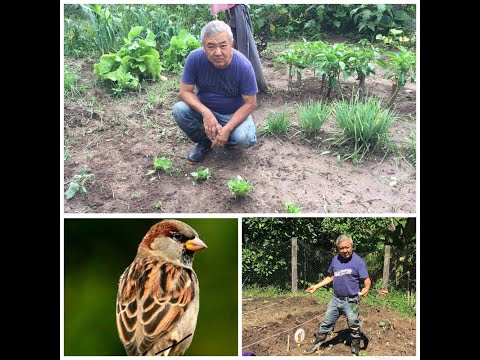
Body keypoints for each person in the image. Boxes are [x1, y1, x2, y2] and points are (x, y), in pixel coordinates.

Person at [172, 20, 258, 163]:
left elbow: (250, 103)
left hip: (233, 113)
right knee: (179, 110)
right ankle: (204, 142)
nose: (217, 52)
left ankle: (227, 139)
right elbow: (184, 92)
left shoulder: (244, 66)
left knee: (245, 138)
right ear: (203, 47)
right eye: (211, 46)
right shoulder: (195, 58)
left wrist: (228, 129)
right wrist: (206, 113)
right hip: (205, 110)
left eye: (223, 46)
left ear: (232, 44)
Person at [305, 235, 371, 355]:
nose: (345, 251)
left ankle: (355, 346)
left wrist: (366, 288)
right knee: (326, 322)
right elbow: (331, 276)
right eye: (341, 248)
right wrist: (316, 286)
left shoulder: (358, 261)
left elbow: (366, 280)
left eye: (347, 247)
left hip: (351, 301)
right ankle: (317, 345)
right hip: (335, 300)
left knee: (353, 323)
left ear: (352, 247)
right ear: (338, 249)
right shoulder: (336, 259)